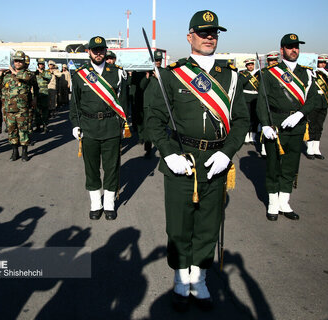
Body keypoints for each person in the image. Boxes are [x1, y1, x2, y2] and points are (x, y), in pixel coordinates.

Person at [146, 10, 249, 311]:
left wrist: (227, 152)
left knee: (207, 224)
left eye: (214, 32)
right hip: (182, 160)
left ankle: (199, 280)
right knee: (179, 226)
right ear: (189, 36)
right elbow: (152, 120)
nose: (209, 37)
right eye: (203, 32)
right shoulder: (171, 74)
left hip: (215, 161)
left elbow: (242, 121)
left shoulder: (231, 78)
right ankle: (180, 280)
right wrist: (168, 152)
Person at [256, 34, 317, 221]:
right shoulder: (270, 73)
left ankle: (285, 201)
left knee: (291, 166)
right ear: (282, 50)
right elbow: (262, 102)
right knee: (273, 166)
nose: (294, 50)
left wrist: (300, 114)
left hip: (297, 126)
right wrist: (265, 125)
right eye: (290, 47)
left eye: (296, 46)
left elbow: (314, 99)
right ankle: (273, 203)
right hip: (275, 125)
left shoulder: (306, 73)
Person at [70, 36, 128, 221]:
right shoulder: (80, 75)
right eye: (94, 50)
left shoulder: (117, 73)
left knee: (111, 167)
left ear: (105, 51)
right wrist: (75, 125)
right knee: (92, 167)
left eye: (101, 49)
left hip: (111, 127)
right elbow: (75, 104)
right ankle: (96, 203)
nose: (98, 53)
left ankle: (109, 204)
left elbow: (124, 103)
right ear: (89, 51)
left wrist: (123, 124)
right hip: (89, 127)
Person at [1, 51, 34, 162]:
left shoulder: (28, 73)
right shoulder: (7, 75)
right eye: (16, 61)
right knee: (12, 131)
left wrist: (14, 72)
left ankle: (24, 152)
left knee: (23, 130)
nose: (18, 63)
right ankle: (15, 152)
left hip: (22, 109)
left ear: (24, 62)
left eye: (20, 61)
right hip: (9, 109)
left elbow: (27, 78)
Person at [306, 54, 328, 160]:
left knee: (319, 126)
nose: (322, 65)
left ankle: (316, 149)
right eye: (320, 62)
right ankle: (309, 149)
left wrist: (327, 74)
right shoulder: (312, 73)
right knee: (312, 126)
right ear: (317, 63)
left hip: (323, 103)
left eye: (324, 63)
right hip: (314, 103)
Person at [138, 51, 164, 158]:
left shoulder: (164, 72)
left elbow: (166, 87)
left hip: (159, 106)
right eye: (156, 60)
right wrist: (147, 77)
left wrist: (159, 78)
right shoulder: (146, 72)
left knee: (160, 128)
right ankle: (148, 150)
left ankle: (162, 149)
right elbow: (141, 87)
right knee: (147, 129)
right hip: (147, 105)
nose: (157, 62)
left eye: (159, 60)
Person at [239, 58, 260, 145]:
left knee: (255, 119)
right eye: (248, 65)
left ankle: (253, 137)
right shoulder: (242, 74)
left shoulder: (259, 74)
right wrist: (249, 76)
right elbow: (241, 83)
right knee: (247, 118)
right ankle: (246, 137)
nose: (250, 66)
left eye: (251, 64)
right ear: (246, 66)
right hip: (246, 98)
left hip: (256, 98)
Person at [34, 58, 52, 133]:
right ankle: (38, 126)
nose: (41, 65)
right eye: (39, 64)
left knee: (45, 111)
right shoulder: (35, 73)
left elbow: (49, 77)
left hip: (44, 94)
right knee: (37, 111)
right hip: (37, 94)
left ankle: (45, 126)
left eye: (42, 64)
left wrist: (42, 72)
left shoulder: (46, 72)